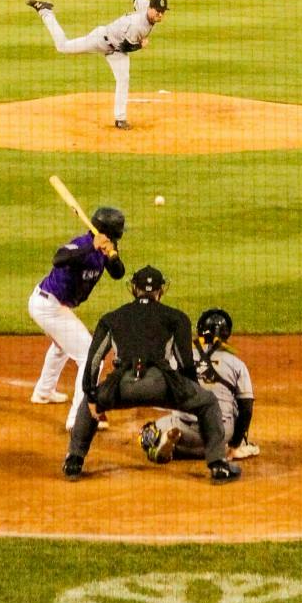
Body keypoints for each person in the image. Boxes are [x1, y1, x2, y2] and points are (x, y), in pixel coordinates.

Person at [63, 265, 242, 484]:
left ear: (133, 289)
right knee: (208, 402)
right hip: (162, 383)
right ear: (161, 290)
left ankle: (73, 461)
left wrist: (92, 396)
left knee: (88, 405)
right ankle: (218, 465)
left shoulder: (112, 318)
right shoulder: (176, 317)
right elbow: (185, 363)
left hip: (123, 384)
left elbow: (94, 359)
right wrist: (190, 392)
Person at [28, 204, 126, 428]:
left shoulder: (108, 246)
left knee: (62, 346)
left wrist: (111, 256)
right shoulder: (83, 243)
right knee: (90, 356)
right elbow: (59, 258)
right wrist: (91, 246)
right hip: (47, 305)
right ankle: (78, 419)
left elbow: (118, 273)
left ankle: (43, 392)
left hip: (56, 306)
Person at [27, 0, 168, 129]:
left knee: (123, 79)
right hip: (101, 40)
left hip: (116, 52)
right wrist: (140, 45)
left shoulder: (145, 6)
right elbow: (126, 47)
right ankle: (45, 11)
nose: (160, 14)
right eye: (157, 11)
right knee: (63, 47)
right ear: (150, 8)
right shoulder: (137, 26)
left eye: (162, 12)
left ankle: (120, 119)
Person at [140, 307, 259, 465]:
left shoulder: (179, 358)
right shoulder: (237, 364)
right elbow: (247, 409)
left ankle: (168, 444)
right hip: (220, 434)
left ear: (200, 331)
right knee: (236, 405)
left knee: (148, 433)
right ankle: (233, 447)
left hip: (185, 430)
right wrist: (234, 444)